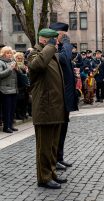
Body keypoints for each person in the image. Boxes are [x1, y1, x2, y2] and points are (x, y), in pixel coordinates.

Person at [28, 28, 66, 189]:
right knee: (44, 146)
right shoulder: (34, 54)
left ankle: (51, 173)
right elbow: (38, 65)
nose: (57, 44)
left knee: (52, 146)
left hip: (55, 108)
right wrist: (50, 47)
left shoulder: (50, 54)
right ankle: (43, 178)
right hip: (44, 108)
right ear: (45, 40)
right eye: (54, 41)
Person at [49, 22, 78, 170]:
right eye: (63, 35)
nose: (65, 37)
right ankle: (54, 160)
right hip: (58, 97)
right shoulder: (51, 48)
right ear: (56, 34)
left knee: (63, 129)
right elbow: (65, 58)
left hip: (66, 96)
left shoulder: (60, 47)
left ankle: (59, 157)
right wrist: (67, 43)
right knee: (57, 131)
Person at [0, 46, 18, 133]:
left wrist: (18, 69)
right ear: (3, 54)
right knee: (7, 109)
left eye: (10, 53)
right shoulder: (1, 62)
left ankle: (11, 125)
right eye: (7, 53)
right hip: (5, 90)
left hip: (14, 89)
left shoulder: (13, 61)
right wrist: (10, 69)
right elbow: (0, 74)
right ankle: (6, 127)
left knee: (12, 109)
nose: (10, 54)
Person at [14, 52, 30, 120]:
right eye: (18, 58)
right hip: (18, 85)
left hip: (24, 86)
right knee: (19, 101)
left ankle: (23, 114)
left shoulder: (24, 66)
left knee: (24, 101)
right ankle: (19, 114)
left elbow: (27, 75)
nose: (20, 59)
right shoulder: (15, 66)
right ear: (15, 58)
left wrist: (27, 71)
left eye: (21, 58)